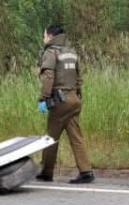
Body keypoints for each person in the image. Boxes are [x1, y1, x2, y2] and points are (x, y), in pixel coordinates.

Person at [35, 24, 94, 184]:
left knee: (50, 137)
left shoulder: (51, 52)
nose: (43, 38)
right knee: (76, 136)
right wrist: (77, 94)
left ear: (50, 36)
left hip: (60, 102)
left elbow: (48, 76)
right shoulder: (71, 52)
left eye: (44, 35)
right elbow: (79, 77)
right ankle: (86, 171)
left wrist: (43, 98)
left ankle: (47, 172)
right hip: (74, 99)